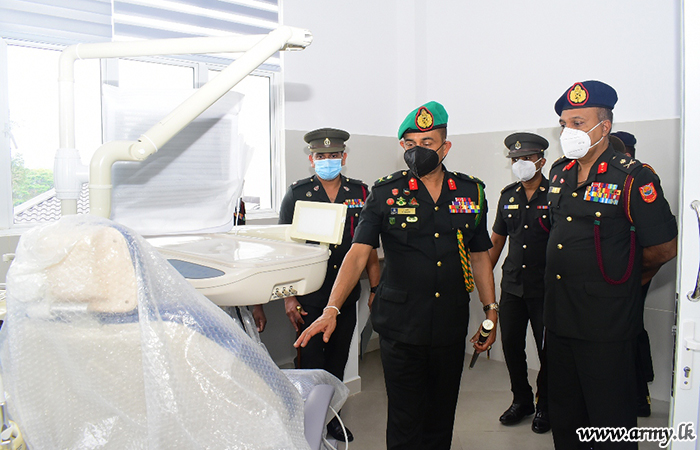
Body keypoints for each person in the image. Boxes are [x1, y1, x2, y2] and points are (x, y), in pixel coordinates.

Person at [294, 101, 498, 450]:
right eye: (409, 144)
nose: (417, 151)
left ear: (445, 147)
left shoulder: (471, 191)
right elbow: (358, 253)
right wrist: (331, 309)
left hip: (449, 323)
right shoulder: (385, 192)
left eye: (427, 143)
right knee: (405, 418)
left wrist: (491, 309)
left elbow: (479, 255)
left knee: (441, 414)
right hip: (401, 325)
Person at [546, 80, 677, 449]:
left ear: (603, 127)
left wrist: (625, 279)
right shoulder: (559, 173)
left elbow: (664, 248)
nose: (568, 131)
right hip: (559, 318)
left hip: (606, 323)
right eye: (563, 123)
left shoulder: (634, 177)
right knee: (566, 416)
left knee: (610, 422)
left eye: (577, 122)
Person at [278, 127, 381, 442]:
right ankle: (309, 425)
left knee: (338, 360)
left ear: (343, 157)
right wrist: (289, 299)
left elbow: (370, 250)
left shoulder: (361, 194)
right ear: (311, 160)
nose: (327, 160)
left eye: (333, 155)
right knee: (311, 363)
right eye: (321, 156)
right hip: (309, 296)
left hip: (345, 295)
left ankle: (331, 417)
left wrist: (375, 289)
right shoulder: (298, 194)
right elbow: (286, 250)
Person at [489, 132, 550, 433]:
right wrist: (482, 278)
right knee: (511, 346)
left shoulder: (556, 195)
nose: (520, 164)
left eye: (526, 158)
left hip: (546, 288)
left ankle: (547, 405)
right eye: (515, 159)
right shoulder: (508, 195)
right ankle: (521, 400)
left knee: (547, 350)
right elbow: (496, 241)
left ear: (541, 160)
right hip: (512, 285)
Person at [611, 130, 654, 417]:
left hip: (634, 271)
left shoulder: (641, 176)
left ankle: (641, 393)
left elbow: (660, 244)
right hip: (611, 272)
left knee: (633, 331)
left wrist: (638, 275)